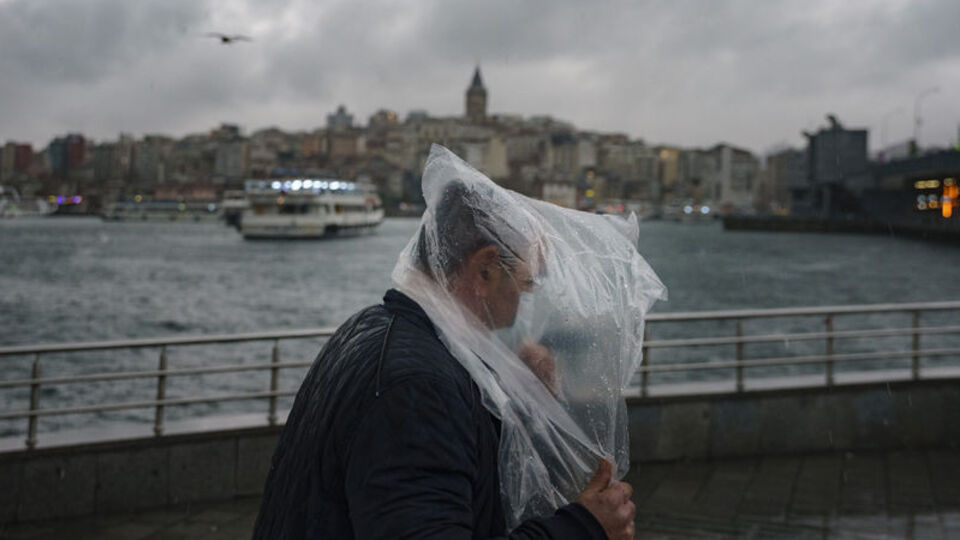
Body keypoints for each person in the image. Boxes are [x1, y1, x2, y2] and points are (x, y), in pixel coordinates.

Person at [254, 155, 644, 539]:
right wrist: (584, 528)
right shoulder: (417, 387)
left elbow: (444, 466)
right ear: (486, 268)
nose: (524, 303)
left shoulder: (370, 327)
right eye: (526, 284)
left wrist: (519, 398)